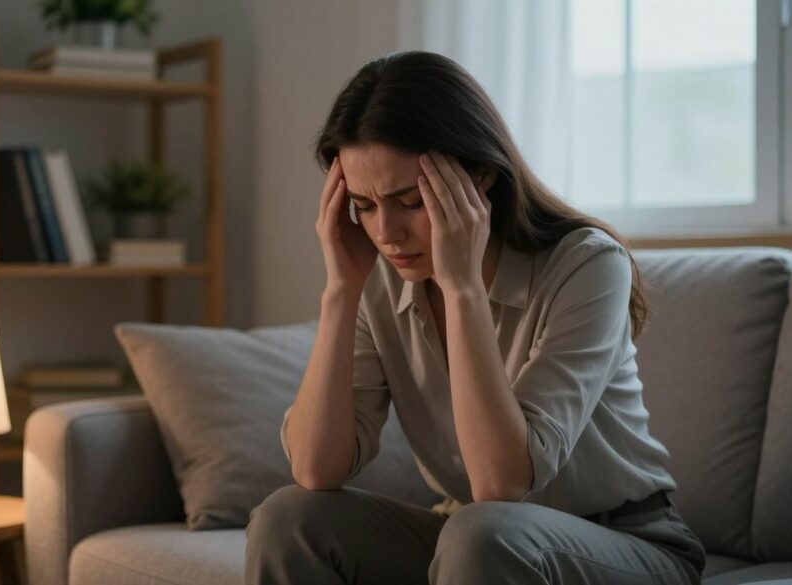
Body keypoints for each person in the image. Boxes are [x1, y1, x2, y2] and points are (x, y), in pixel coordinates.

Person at [244, 50, 707, 585]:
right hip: (477, 540)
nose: (386, 232)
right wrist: (341, 290)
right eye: (366, 206)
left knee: (482, 530)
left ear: (480, 175)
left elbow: (500, 482)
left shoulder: (589, 265)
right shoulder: (379, 277)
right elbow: (315, 469)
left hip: (625, 543)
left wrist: (461, 286)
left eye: (409, 200)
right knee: (289, 519)